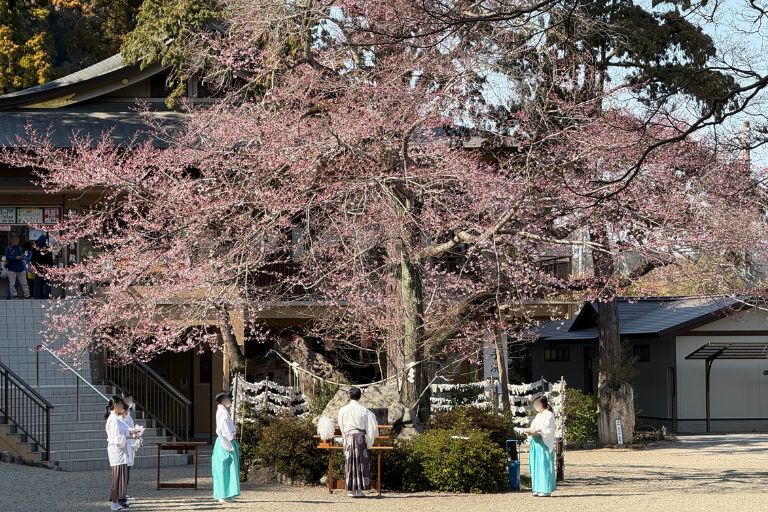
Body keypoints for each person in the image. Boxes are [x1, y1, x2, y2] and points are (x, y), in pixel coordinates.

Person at [336, 387, 379, 498]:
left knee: (349, 463)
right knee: (361, 463)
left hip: (349, 437)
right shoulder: (364, 410)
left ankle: (351, 489)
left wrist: (345, 437)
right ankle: (359, 490)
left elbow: (341, 426)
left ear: (349, 396)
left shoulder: (342, 410)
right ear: (360, 396)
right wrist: (369, 441)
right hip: (360, 438)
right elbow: (371, 426)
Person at [105, 396, 137, 511]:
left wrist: (133, 432)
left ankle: (119, 501)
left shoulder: (117, 418)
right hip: (117, 452)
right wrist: (131, 436)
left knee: (121, 478)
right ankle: (114, 503)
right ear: (115, 406)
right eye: (120, 404)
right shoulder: (113, 420)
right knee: (117, 478)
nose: (122, 407)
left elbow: (126, 429)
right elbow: (117, 438)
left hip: (121, 452)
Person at [212, 391, 240, 504]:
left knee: (228, 469)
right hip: (225, 442)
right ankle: (222, 495)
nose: (229, 400)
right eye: (228, 398)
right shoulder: (223, 412)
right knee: (224, 469)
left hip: (225, 441)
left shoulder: (223, 411)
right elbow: (223, 429)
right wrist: (231, 437)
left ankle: (227, 494)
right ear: (222, 400)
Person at [526, 395, 556, 497]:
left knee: (544, 465)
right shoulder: (538, 415)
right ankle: (537, 488)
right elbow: (533, 426)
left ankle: (546, 489)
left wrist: (537, 431)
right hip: (536, 442)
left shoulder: (549, 415)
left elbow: (549, 429)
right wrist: (530, 430)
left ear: (542, 404)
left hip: (543, 442)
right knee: (535, 465)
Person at [121, 392, 142, 502]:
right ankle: (120, 495)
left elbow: (130, 428)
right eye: (129, 400)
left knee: (126, 472)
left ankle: (123, 493)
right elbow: (123, 432)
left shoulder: (127, 415)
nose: (131, 402)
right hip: (122, 448)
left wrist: (136, 436)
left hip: (128, 446)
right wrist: (134, 435)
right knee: (122, 473)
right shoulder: (120, 417)